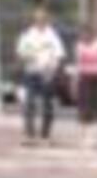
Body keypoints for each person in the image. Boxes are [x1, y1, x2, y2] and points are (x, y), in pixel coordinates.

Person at [14, 11, 69, 144]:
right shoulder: (27, 35)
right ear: (34, 20)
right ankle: (29, 135)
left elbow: (60, 54)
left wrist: (56, 70)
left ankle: (45, 134)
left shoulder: (52, 35)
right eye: (38, 19)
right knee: (29, 103)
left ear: (46, 20)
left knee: (47, 105)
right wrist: (24, 60)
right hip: (31, 72)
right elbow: (20, 53)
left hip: (47, 73)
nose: (40, 21)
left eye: (43, 19)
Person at [74, 24, 97, 130]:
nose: (85, 36)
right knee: (85, 101)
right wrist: (76, 78)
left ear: (92, 34)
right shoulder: (79, 46)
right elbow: (78, 62)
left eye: (87, 34)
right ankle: (85, 122)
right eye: (83, 35)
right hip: (85, 76)